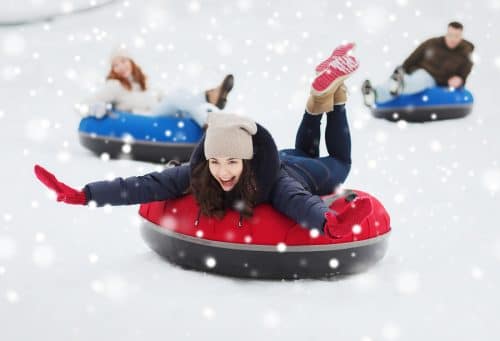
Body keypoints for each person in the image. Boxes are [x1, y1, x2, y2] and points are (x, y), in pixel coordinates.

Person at [35, 44, 370, 239]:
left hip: (301, 172)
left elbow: (300, 203)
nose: (223, 171)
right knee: (303, 149)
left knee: (340, 163)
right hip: (288, 155)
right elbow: (145, 184)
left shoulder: (275, 182)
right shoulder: (200, 173)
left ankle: (334, 100)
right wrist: (85, 194)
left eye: (232, 162)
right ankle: (319, 99)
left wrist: (328, 223)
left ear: (247, 159)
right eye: (216, 161)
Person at [76, 47, 234, 127]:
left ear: (131, 61)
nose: (121, 67)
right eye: (116, 64)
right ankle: (208, 98)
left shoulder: (141, 82)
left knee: (179, 93)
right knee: (175, 97)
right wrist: (94, 108)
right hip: (147, 119)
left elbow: (159, 96)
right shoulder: (114, 86)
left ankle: (209, 118)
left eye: (123, 61)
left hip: (158, 111)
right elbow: (83, 104)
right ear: (112, 69)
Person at [362, 21, 474, 106]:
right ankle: (374, 93)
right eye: (450, 35)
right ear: (446, 33)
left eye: (456, 36)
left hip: (433, 79)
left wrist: (460, 79)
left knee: (420, 80)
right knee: (408, 78)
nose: (452, 39)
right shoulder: (432, 43)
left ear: (461, 36)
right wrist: (402, 69)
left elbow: (464, 73)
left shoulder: (464, 54)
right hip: (416, 71)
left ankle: (384, 91)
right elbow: (414, 57)